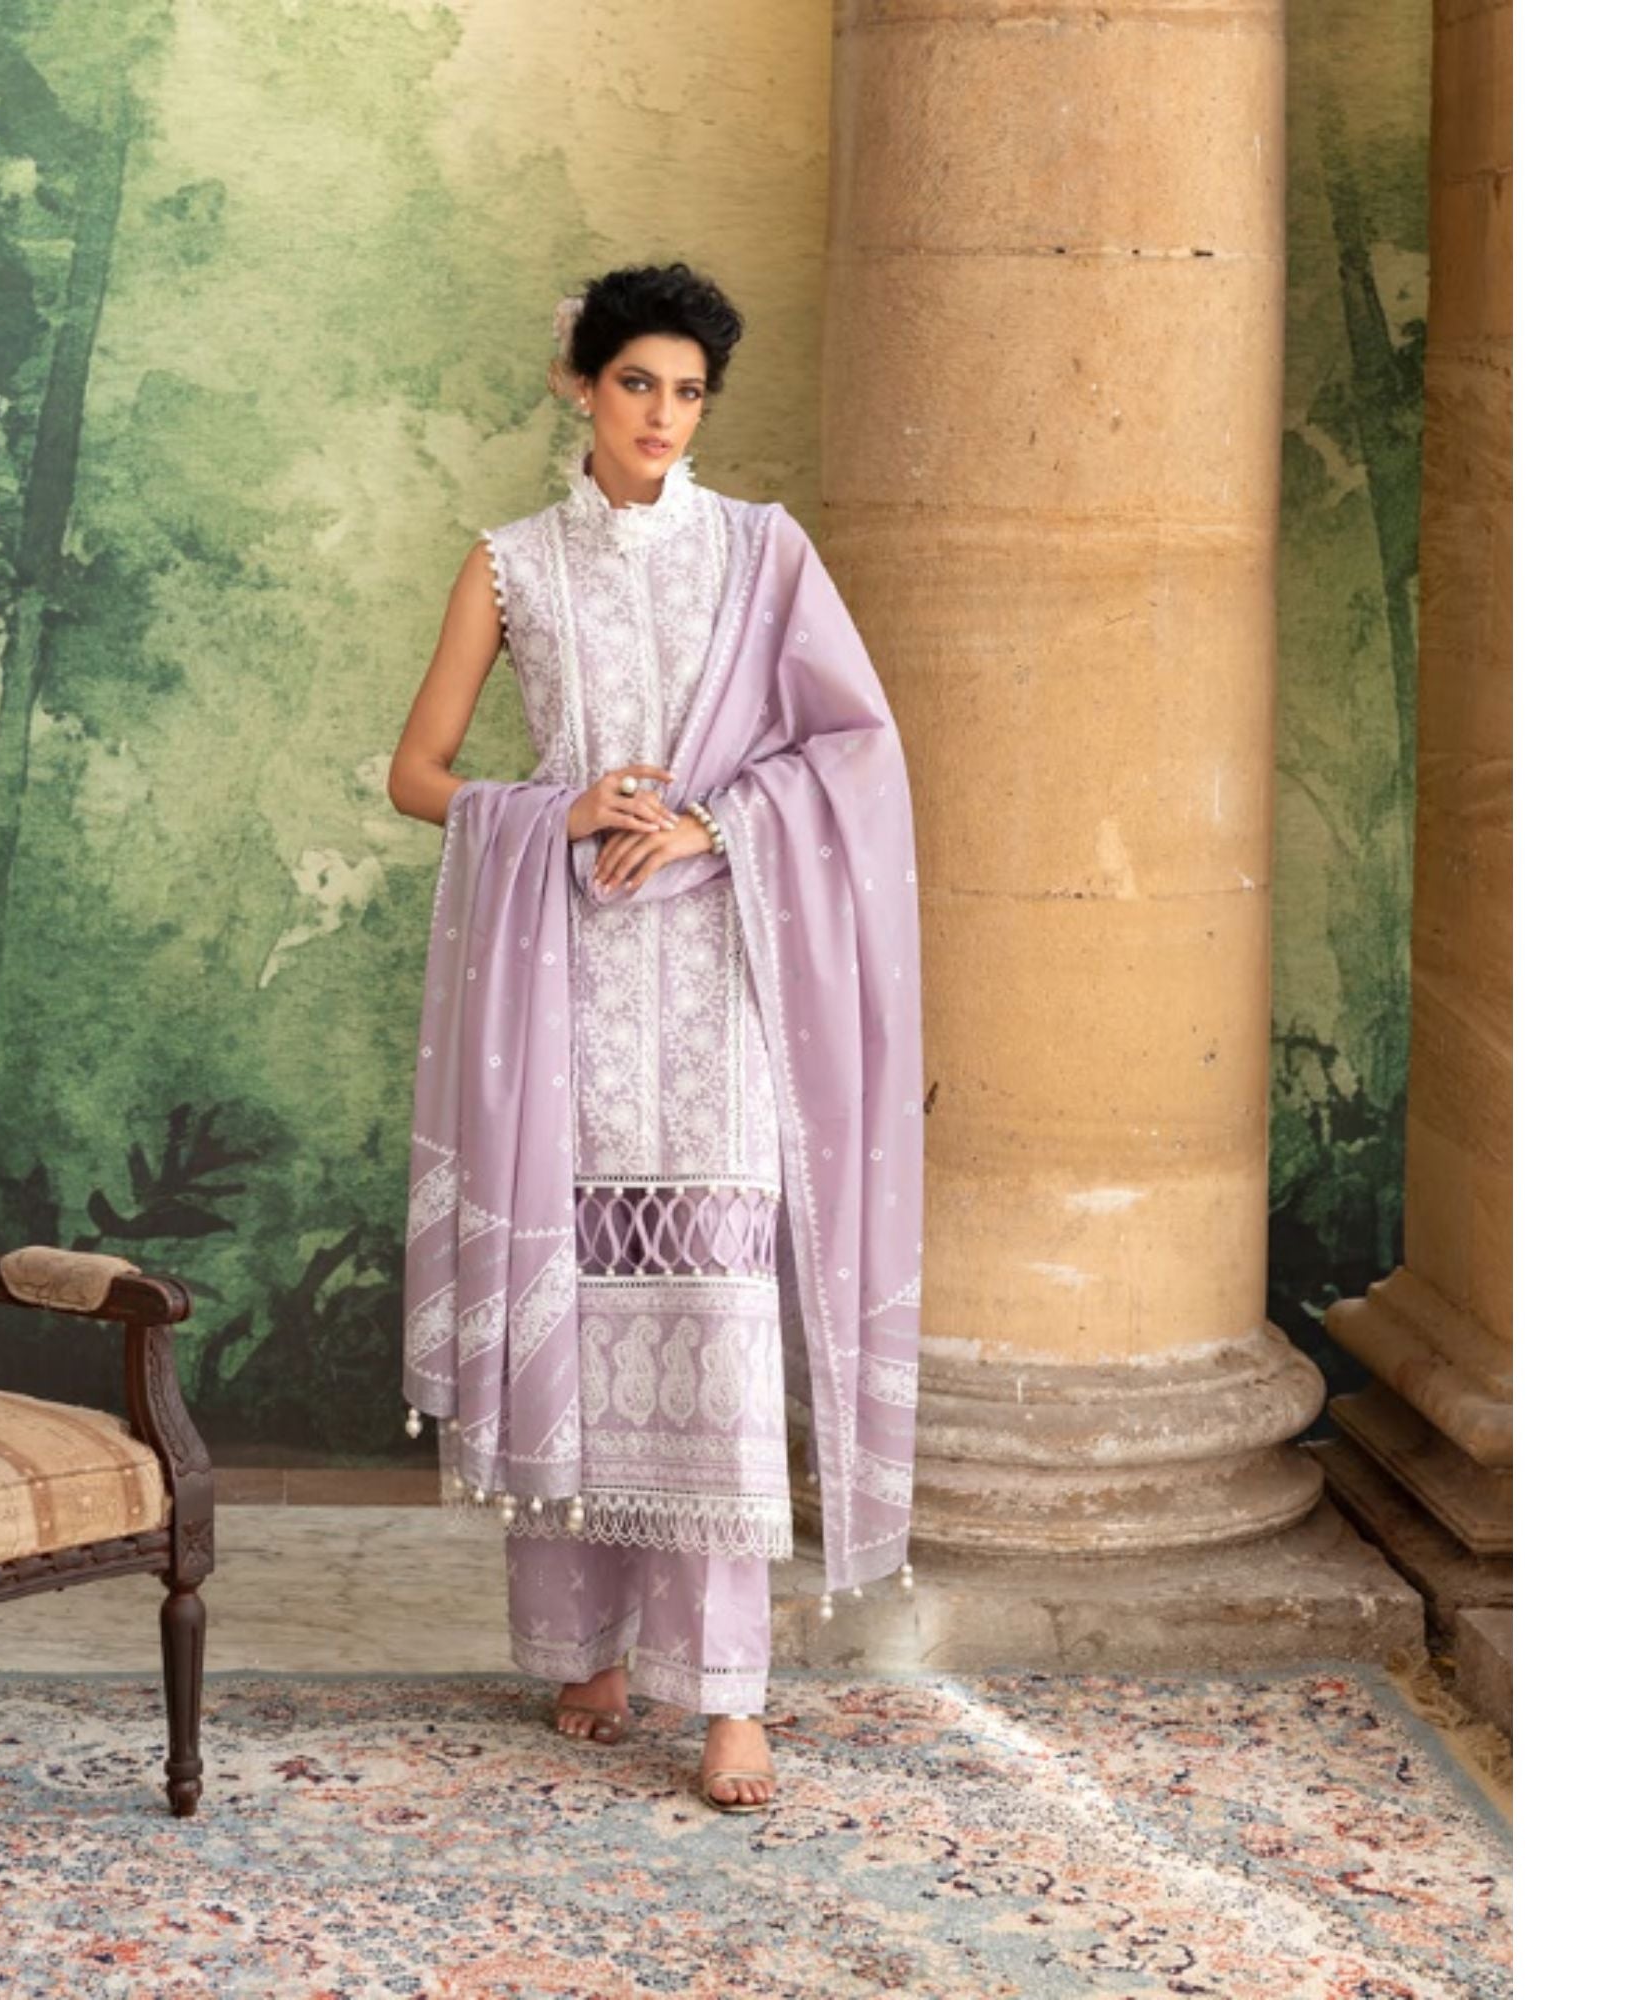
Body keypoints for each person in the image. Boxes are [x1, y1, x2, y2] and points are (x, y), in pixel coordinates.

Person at [389, 262, 924, 1814]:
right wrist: (552, 810)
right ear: (583, 383)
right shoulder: (510, 566)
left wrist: (711, 826)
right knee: (579, 1317)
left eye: (689, 393)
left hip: (717, 991)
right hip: (560, 992)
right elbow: (419, 773)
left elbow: (853, 749)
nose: (664, 417)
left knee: (713, 1328)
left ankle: (730, 1697)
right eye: (639, 384)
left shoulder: (763, 552)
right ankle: (588, 1649)